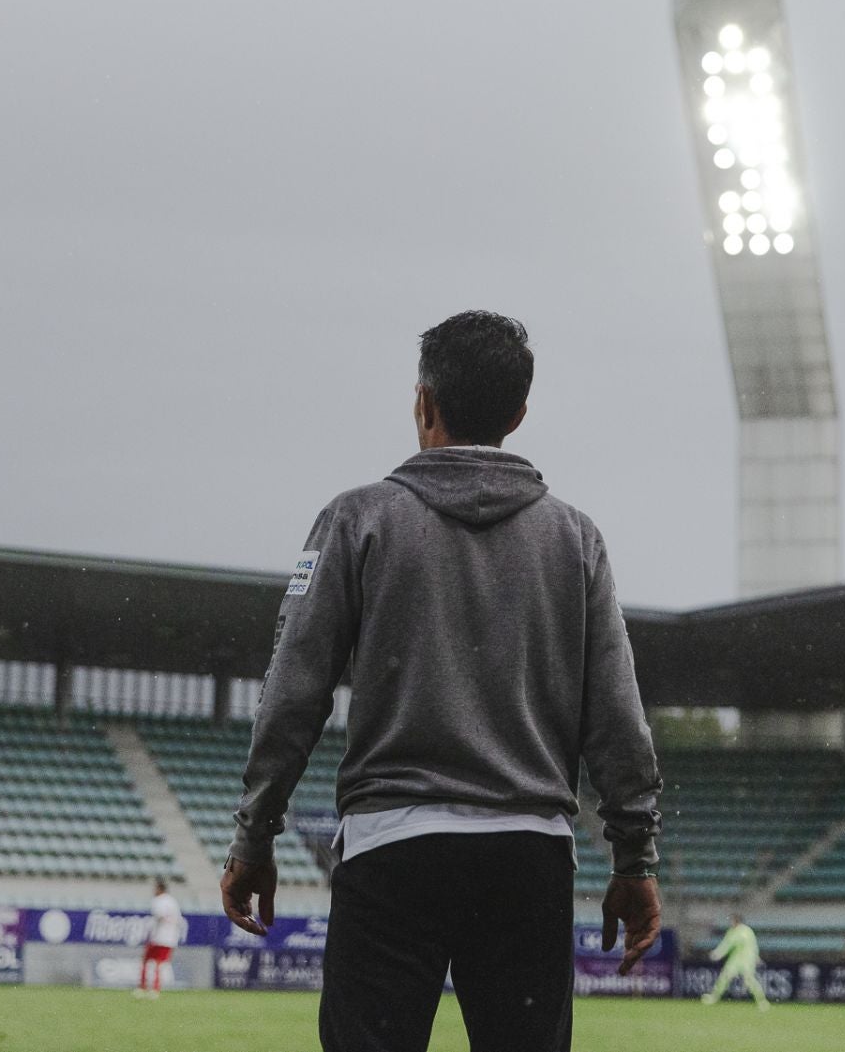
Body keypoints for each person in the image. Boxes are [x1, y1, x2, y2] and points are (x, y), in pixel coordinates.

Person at [221, 311, 663, 1052]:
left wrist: (254, 836)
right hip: (530, 854)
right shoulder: (575, 538)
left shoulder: (356, 520)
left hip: (394, 848)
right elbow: (617, 716)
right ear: (518, 414)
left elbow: (291, 693)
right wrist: (634, 856)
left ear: (423, 402)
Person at [701, 913, 769, 1010]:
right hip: (735, 959)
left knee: (749, 980)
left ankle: (762, 1001)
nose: (731, 923)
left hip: (747, 959)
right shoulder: (732, 931)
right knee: (724, 977)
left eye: (732, 921)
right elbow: (725, 943)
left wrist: (717, 954)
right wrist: (718, 952)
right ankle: (714, 997)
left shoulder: (746, 931)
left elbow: (745, 944)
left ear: (737, 921)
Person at [134, 878, 184, 998]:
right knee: (159, 964)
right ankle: (155, 989)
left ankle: (143, 988)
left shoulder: (158, 901)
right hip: (170, 938)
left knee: (147, 961)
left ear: (159, 889)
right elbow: (178, 920)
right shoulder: (173, 901)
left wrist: (152, 932)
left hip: (158, 937)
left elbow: (159, 917)